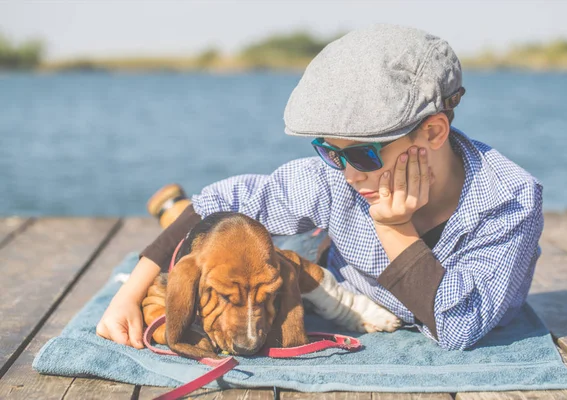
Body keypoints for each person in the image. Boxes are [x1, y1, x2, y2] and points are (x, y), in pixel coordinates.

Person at [96, 24, 543, 351]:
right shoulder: (333, 179)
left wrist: (394, 227)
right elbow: (221, 201)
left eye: (366, 155)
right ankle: (174, 209)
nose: (348, 174)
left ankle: (170, 207)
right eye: (331, 152)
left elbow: (458, 325)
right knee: (227, 238)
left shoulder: (509, 203)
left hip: (385, 284)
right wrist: (129, 294)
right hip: (327, 262)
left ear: (432, 132)